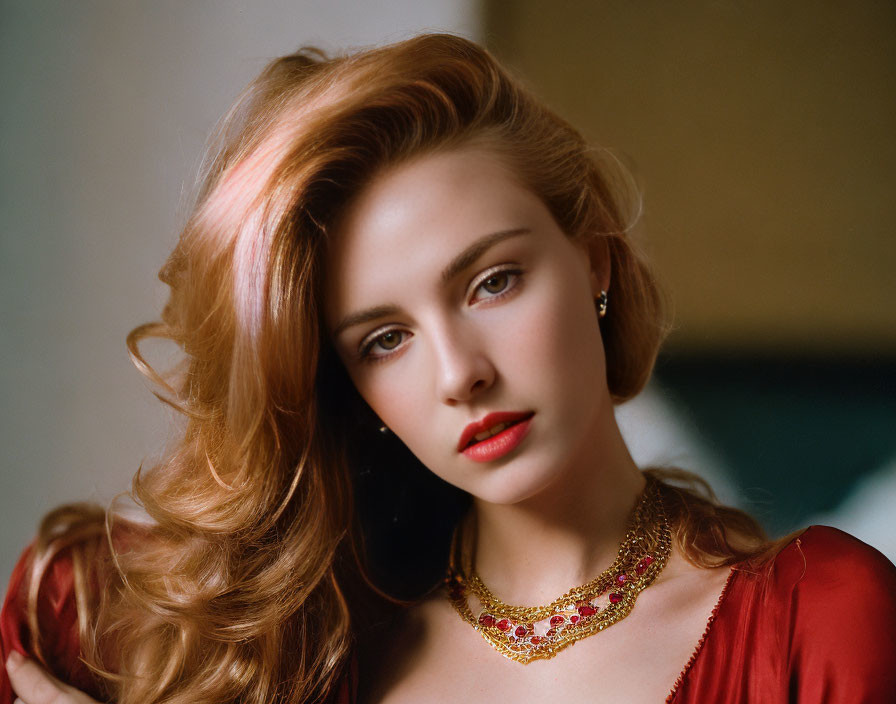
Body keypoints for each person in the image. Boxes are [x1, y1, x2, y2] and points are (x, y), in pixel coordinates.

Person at [2, 33, 895, 704]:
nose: (459, 372)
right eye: (383, 339)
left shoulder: (815, 625)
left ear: (593, 260)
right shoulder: (306, 643)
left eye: (493, 282)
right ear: (348, 385)